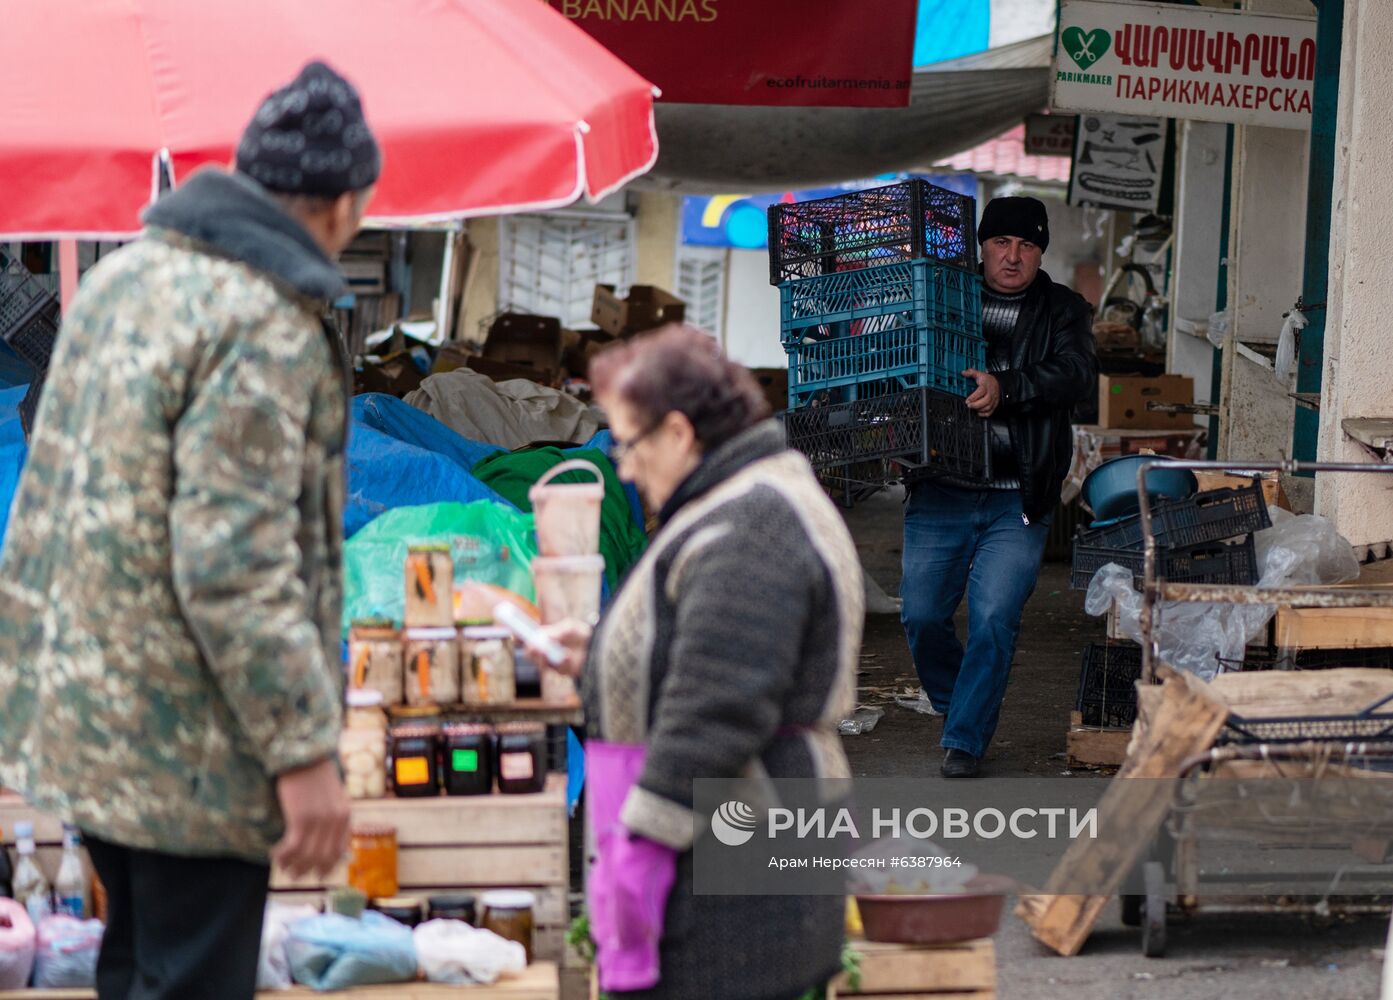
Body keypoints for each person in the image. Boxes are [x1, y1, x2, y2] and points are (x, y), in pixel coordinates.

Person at [0, 61, 379, 998]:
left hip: (91, 722)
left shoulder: (126, 283)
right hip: (192, 750)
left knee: (133, 970)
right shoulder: (261, 320)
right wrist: (301, 756)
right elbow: (232, 563)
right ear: (337, 204)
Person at [527, 326, 864, 1000]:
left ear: (677, 433)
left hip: (733, 886)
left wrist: (639, 852)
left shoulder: (751, 525)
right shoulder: (739, 500)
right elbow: (711, 648)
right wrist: (602, 658)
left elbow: (719, 705)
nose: (622, 467)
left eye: (627, 443)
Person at [900, 196, 1096, 779]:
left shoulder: (1064, 309)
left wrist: (1006, 386)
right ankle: (958, 704)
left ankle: (965, 737)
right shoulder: (941, 297)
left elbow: (1078, 374)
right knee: (921, 615)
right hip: (942, 489)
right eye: (1001, 243)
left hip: (1018, 496)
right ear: (981, 246)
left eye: (1028, 246)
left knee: (993, 617)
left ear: (1040, 254)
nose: (1013, 257)